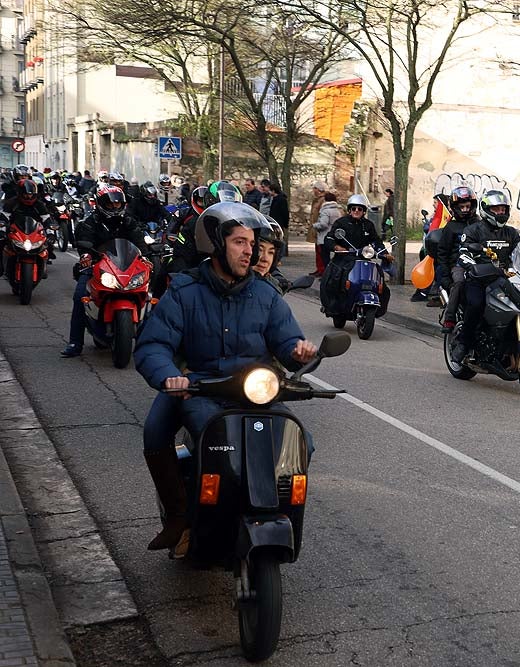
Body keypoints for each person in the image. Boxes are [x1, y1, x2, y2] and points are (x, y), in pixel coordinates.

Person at [133, 202, 317, 554]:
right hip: (197, 389)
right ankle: (179, 517)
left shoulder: (265, 295)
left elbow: (286, 340)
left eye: (252, 243)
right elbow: (153, 344)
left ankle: (276, 508)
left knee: (302, 443)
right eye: (240, 242)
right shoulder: (184, 291)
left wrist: (299, 351)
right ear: (216, 245)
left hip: (254, 392)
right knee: (155, 432)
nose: (250, 251)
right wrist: (171, 376)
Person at [61, 186, 148, 358]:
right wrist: (85, 255)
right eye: (111, 204)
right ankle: (75, 343)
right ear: (101, 205)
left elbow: (139, 239)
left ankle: (148, 344)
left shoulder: (128, 221)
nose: (115, 208)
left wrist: (145, 255)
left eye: (118, 204)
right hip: (96, 265)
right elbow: (84, 239)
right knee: (80, 296)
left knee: (149, 297)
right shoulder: (91, 222)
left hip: (124, 266)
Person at [451, 190, 520, 363]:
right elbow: (464, 253)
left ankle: (509, 342)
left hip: (504, 278)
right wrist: (474, 267)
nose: (501, 213)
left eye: (503, 209)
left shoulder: (512, 233)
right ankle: (463, 343)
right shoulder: (473, 230)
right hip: (479, 279)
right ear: (485, 209)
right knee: (476, 305)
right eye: (496, 209)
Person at [438, 186, 479, 333]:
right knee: (460, 282)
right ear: (455, 207)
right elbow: (442, 252)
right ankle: (449, 318)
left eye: (468, 206)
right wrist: (445, 275)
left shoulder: (479, 224)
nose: (465, 209)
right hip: (459, 264)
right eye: (461, 207)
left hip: (479, 262)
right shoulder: (451, 227)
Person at [313, 192, 341, 277]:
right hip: (334, 237)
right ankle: (331, 274)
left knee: (325, 258)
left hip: (324, 237)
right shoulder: (337, 211)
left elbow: (323, 224)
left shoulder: (325, 211)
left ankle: (327, 275)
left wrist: (315, 225)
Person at [309, 182, 327, 274]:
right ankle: (319, 268)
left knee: (320, 250)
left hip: (320, 228)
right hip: (315, 227)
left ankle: (322, 269)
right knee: (317, 249)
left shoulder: (323, 200)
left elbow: (322, 215)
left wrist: (317, 225)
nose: (313, 190)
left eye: (315, 188)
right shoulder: (316, 200)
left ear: (319, 190)